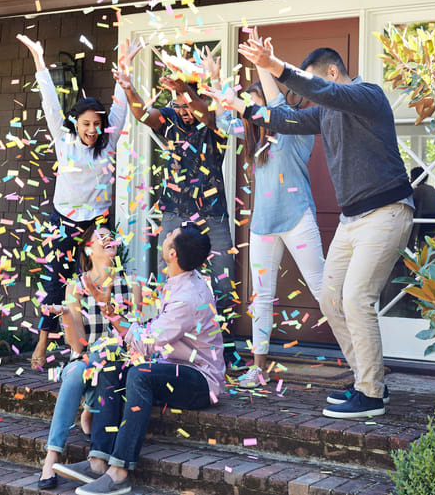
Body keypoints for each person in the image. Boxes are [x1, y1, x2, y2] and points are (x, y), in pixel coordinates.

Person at [211, 36, 413, 418]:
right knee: (331, 299)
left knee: (356, 298)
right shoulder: (324, 113)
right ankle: (368, 380)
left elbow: (321, 91)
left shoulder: (367, 95)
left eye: (315, 84)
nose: (311, 94)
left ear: (333, 73)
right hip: (352, 220)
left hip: (385, 211)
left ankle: (370, 394)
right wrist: (240, 105)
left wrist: (275, 66)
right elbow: (283, 120)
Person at [54, 222, 225, 495]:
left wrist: (109, 311)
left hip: (200, 379)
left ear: (173, 254)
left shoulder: (187, 297)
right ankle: (98, 461)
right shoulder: (179, 280)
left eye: (171, 235)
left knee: (139, 374)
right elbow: (151, 334)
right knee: (111, 365)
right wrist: (109, 309)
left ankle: (119, 472)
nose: (165, 235)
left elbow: (147, 343)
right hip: (170, 366)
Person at [16, 34, 141, 369]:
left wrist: (126, 63)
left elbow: (120, 106)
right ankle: (43, 344)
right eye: (86, 124)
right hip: (64, 222)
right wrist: (39, 60)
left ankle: (109, 342)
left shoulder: (108, 143)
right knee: (57, 283)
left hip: (96, 226)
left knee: (104, 281)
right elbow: (49, 102)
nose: (92, 129)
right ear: (76, 123)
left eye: (96, 124)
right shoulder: (65, 139)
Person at [112, 48, 238, 368]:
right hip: (174, 211)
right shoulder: (169, 119)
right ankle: (167, 345)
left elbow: (205, 114)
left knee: (223, 282)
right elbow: (143, 115)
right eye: (178, 105)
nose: (183, 111)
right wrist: (128, 87)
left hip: (212, 213)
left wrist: (185, 91)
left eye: (186, 104)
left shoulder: (213, 121)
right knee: (169, 281)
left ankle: (225, 349)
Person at [212, 47, 323, 389]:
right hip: (262, 225)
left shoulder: (293, 127)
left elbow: (275, 108)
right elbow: (223, 120)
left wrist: (263, 65)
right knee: (260, 297)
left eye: (254, 103)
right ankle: (258, 369)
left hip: (298, 218)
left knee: (323, 289)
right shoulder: (252, 136)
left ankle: (360, 360)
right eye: (248, 105)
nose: (251, 110)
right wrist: (216, 80)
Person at [37, 223, 141, 490]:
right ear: (88, 248)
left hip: (121, 358)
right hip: (88, 356)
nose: (108, 239)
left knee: (103, 363)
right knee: (73, 375)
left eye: (111, 236)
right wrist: (65, 316)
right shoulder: (76, 286)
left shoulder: (131, 283)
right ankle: (51, 458)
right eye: (101, 236)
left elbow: (137, 333)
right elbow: (78, 344)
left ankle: (90, 412)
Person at [409, 166, 435, 249]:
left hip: (424, 223)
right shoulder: (431, 189)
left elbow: (416, 209)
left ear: (414, 178)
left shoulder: (417, 191)